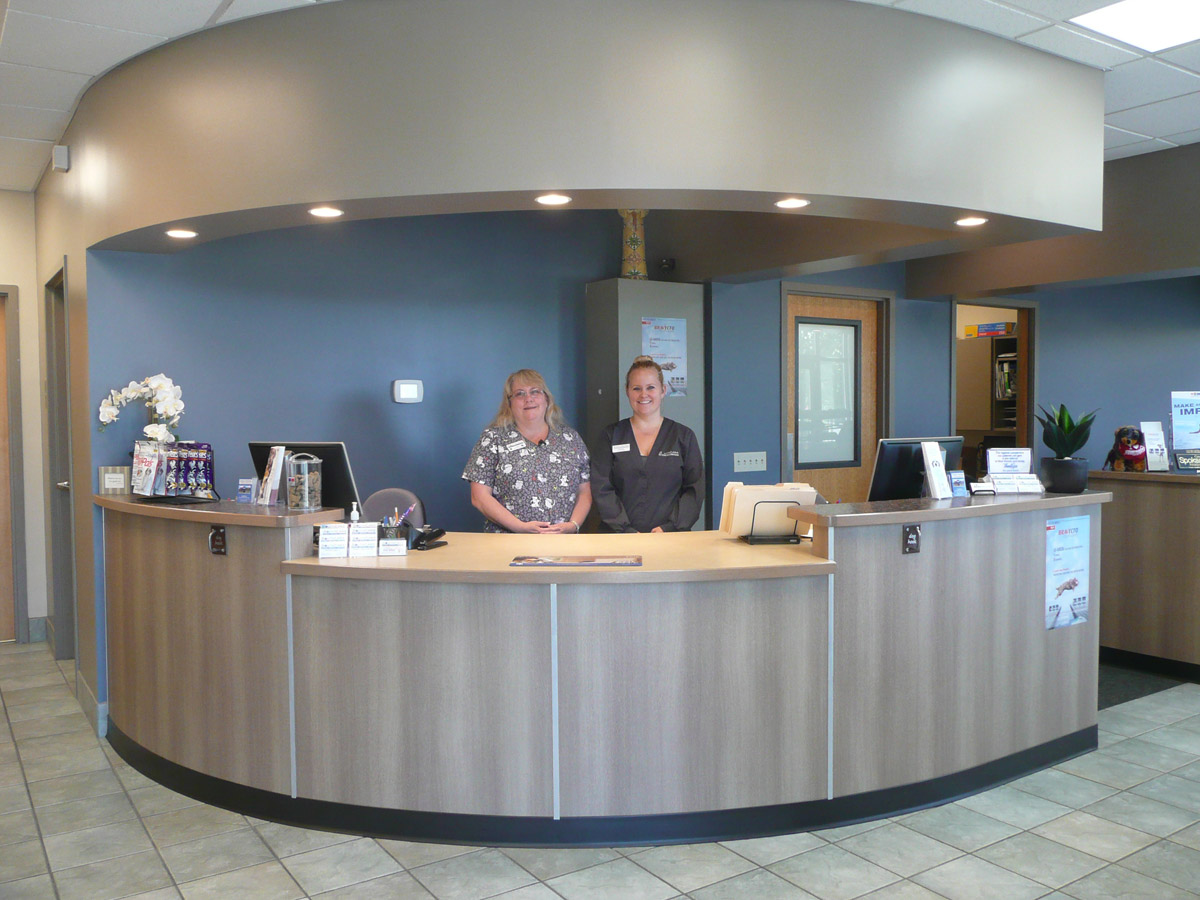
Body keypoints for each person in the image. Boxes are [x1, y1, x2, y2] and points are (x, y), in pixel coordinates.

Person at [463, 369, 591, 533]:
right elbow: (479, 497)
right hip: (509, 541)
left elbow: (585, 492)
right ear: (509, 403)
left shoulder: (570, 438)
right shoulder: (493, 439)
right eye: (519, 394)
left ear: (546, 398)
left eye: (535, 392)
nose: (528, 398)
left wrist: (573, 525)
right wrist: (520, 527)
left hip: (562, 542)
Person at [591, 356, 704, 533]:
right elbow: (601, 488)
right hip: (618, 538)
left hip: (669, 539)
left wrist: (669, 528)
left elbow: (694, 490)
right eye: (636, 388)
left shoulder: (683, 436)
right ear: (627, 391)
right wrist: (625, 530)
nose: (644, 394)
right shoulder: (611, 435)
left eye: (650, 387)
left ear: (663, 390)